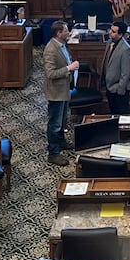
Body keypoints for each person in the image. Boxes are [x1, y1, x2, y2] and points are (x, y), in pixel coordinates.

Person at [41, 20, 78, 165]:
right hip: (56, 92)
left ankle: (61, 142)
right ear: (59, 33)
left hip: (64, 89)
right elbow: (50, 73)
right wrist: (69, 68)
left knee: (62, 120)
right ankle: (53, 153)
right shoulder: (50, 50)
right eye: (66, 30)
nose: (68, 32)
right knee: (55, 123)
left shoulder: (61, 45)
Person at [103, 20, 130, 116]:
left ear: (120, 34)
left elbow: (126, 73)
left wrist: (120, 90)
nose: (110, 32)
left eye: (113, 31)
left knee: (123, 116)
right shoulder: (109, 42)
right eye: (110, 30)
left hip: (119, 89)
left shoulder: (126, 49)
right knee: (113, 113)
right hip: (109, 87)